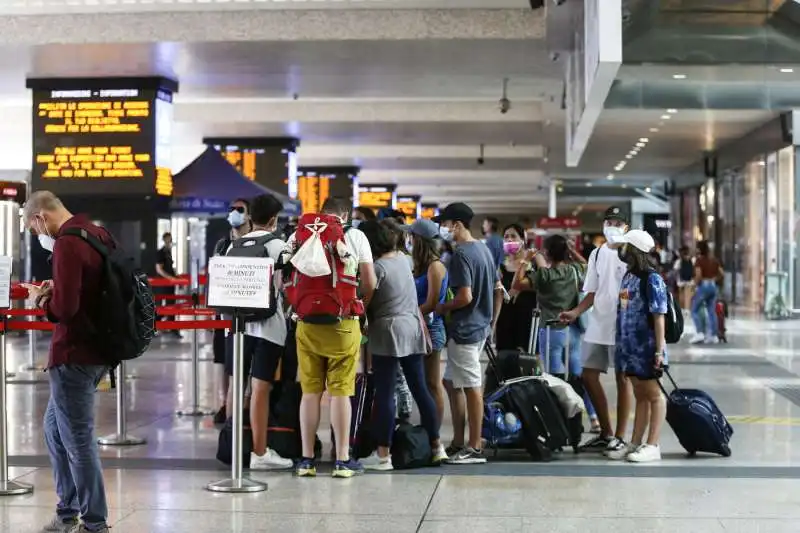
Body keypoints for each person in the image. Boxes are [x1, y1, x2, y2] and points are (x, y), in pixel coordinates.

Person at [22, 191, 111, 533]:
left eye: (34, 229)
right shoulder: (96, 233)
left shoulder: (66, 244)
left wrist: (38, 301)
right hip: (99, 349)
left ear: (41, 218)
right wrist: (57, 286)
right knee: (54, 429)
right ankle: (68, 509)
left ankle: (93, 522)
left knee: (77, 438)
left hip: (74, 354)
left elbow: (66, 310)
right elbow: (88, 289)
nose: (38, 236)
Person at [290, 197, 377, 478]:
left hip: (306, 323)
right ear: (345, 215)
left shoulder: (300, 232)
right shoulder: (355, 236)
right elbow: (370, 281)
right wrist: (359, 303)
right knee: (341, 391)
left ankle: (306, 460)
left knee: (310, 391)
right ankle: (342, 460)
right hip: (343, 322)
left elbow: (285, 279)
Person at [357, 221, 447, 470]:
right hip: (412, 326)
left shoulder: (377, 267)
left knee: (386, 392)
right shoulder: (404, 260)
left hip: (388, 330)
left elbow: (365, 300)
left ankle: (383, 455)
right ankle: (437, 445)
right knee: (420, 388)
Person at [223, 194, 293, 470]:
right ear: (274, 220)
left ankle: (232, 448)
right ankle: (260, 452)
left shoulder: (233, 246)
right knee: (261, 388)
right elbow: (290, 282)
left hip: (238, 327)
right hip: (269, 327)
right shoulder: (279, 245)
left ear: (251, 217)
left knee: (236, 387)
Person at [559, 206, 632, 458]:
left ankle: (620, 438)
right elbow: (592, 292)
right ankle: (607, 433)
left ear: (626, 228)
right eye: (609, 221)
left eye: (617, 222)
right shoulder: (597, 254)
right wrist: (575, 312)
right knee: (588, 375)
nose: (612, 225)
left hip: (623, 325)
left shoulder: (631, 252)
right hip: (598, 324)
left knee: (623, 379)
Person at [435, 203, 503, 464]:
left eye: (446, 224)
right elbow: (498, 288)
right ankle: (458, 440)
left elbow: (464, 296)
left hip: (465, 329)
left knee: (473, 387)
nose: (444, 229)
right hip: (479, 327)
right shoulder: (483, 249)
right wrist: (491, 323)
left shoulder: (462, 253)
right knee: (451, 382)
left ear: (457, 225)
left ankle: (474, 447)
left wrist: (442, 307)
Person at [611, 230, 668, 463]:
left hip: (648, 347)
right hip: (630, 347)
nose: (622, 251)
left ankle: (653, 444)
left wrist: (659, 350)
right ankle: (636, 442)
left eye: (626, 247)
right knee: (640, 395)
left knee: (654, 395)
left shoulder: (652, 279)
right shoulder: (628, 276)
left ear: (635, 250)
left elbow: (659, 316)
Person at [516, 235, 583, 379]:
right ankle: (583, 400)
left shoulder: (543, 275)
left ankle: (558, 401)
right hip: (573, 330)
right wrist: (573, 252)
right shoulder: (574, 270)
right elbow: (587, 266)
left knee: (554, 377)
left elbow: (517, 284)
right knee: (577, 373)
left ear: (546, 253)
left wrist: (526, 259)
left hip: (550, 330)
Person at [212, 198, 252, 424]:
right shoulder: (222, 244)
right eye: (232, 210)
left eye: (240, 210)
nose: (235, 213)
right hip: (225, 314)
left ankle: (243, 409)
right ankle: (226, 405)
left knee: (244, 366)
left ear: (249, 216)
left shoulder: (256, 242)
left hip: (248, 316)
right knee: (224, 361)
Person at [409, 219, 448, 426]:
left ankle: (435, 431)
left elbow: (432, 303)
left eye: (412, 237)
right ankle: (428, 426)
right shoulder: (422, 267)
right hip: (420, 327)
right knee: (424, 383)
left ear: (419, 240)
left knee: (433, 384)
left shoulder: (435, 267)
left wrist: (410, 312)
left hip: (431, 329)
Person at [496, 223, 537, 351]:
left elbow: (546, 282)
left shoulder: (534, 261)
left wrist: (520, 288)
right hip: (505, 318)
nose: (509, 240)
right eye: (506, 237)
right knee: (505, 357)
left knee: (526, 358)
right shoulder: (501, 265)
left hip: (527, 317)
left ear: (522, 240)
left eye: (513, 236)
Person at [690, 241, 723, 344]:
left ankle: (699, 333)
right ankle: (713, 336)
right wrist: (714, 279)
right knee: (712, 311)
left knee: (694, 310)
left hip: (703, 286)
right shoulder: (714, 260)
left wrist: (694, 285)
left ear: (699, 249)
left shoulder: (699, 261)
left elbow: (698, 275)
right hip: (713, 286)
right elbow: (722, 273)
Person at [155, 232, 182, 338]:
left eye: (170, 239)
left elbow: (170, 268)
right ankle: (154, 325)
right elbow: (159, 269)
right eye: (168, 239)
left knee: (171, 305)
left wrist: (176, 277)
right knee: (163, 307)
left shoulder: (168, 252)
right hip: (163, 285)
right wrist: (170, 278)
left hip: (170, 284)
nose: (170, 241)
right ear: (164, 239)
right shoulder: (161, 252)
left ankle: (173, 328)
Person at [674, 245, 695, 313]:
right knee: (688, 295)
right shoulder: (692, 260)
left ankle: (683, 309)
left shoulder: (679, 261)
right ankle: (687, 309)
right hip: (690, 281)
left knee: (681, 295)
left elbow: (675, 271)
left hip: (681, 281)